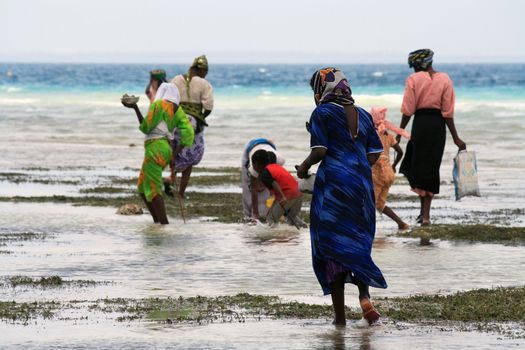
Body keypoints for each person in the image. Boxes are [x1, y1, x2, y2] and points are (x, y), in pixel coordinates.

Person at [297, 67, 387, 326]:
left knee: (331, 246)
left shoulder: (321, 112)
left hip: (333, 184)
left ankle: (339, 319)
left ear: (321, 89)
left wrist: (303, 168)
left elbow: (320, 150)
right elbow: (373, 155)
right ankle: (364, 297)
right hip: (361, 185)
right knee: (358, 241)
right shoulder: (364, 115)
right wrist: (353, 162)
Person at [398, 49, 466, 226]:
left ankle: (425, 216)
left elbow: (408, 109)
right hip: (438, 127)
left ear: (419, 64)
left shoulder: (413, 80)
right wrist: (455, 138)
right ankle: (424, 214)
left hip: (420, 125)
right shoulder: (445, 79)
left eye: (413, 66)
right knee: (430, 168)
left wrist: (400, 132)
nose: (413, 69)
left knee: (417, 167)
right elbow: (448, 113)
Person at [122, 70, 194, 224]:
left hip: (155, 149)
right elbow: (189, 133)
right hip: (165, 150)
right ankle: (157, 222)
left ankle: (164, 224)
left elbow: (145, 127)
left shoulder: (158, 105)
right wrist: (175, 154)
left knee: (153, 188)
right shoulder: (178, 110)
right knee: (142, 186)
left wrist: (135, 107)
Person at [164, 55, 214, 199]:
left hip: (175, 119)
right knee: (191, 156)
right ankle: (179, 192)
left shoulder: (175, 80)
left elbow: (168, 101)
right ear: (202, 70)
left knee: (176, 153)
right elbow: (209, 106)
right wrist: (201, 118)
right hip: (192, 123)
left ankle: (171, 179)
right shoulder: (204, 83)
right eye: (205, 71)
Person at [370, 107, 410, 230]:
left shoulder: (372, 135)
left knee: (370, 203)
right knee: (380, 204)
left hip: (377, 173)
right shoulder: (389, 135)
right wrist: (393, 166)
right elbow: (400, 152)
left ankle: (366, 228)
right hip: (389, 173)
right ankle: (401, 224)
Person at [251, 150, 306, 228]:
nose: (252, 166)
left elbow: (274, 183)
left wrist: (282, 197)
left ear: (256, 164)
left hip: (288, 195)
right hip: (299, 193)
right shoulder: (277, 167)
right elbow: (279, 182)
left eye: (252, 164)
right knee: (291, 217)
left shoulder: (264, 172)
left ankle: (274, 237)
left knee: (271, 218)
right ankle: (304, 228)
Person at [241, 138, 285, 221]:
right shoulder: (253, 166)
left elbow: (278, 183)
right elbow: (253, 189)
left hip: (269, 147)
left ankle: (268, 212)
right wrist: (255, 214)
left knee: (268, 188)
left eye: (261, 171)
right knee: (248, 188)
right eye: (259, 171)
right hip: (250, 147)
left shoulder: (280, 161)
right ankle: (248, 215)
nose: (259, 172)